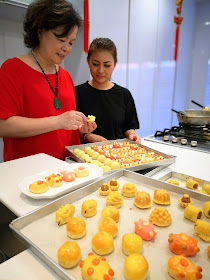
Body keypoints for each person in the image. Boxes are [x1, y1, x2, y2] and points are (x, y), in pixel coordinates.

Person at [0, 0, 96, 162]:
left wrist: (81, 129)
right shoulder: (12, 69)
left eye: (71, 42)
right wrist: (58, 121)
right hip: (29, 171)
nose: (67, 48)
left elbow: (64, 129)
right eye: (61, 39)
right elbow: (4, 126)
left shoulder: (64, 76)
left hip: (66, 168)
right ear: (40, 31)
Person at [75, 38, 140, 144]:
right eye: (95, 64)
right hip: (86, 156)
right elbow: (70, 131)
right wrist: (87, 136)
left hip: (117, 154)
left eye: (107, 65)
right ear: (88, 62)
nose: (100, 70)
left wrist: (132, 136)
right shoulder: (77, 93)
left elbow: (129, 127)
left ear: (114, 64)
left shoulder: (124, 95)